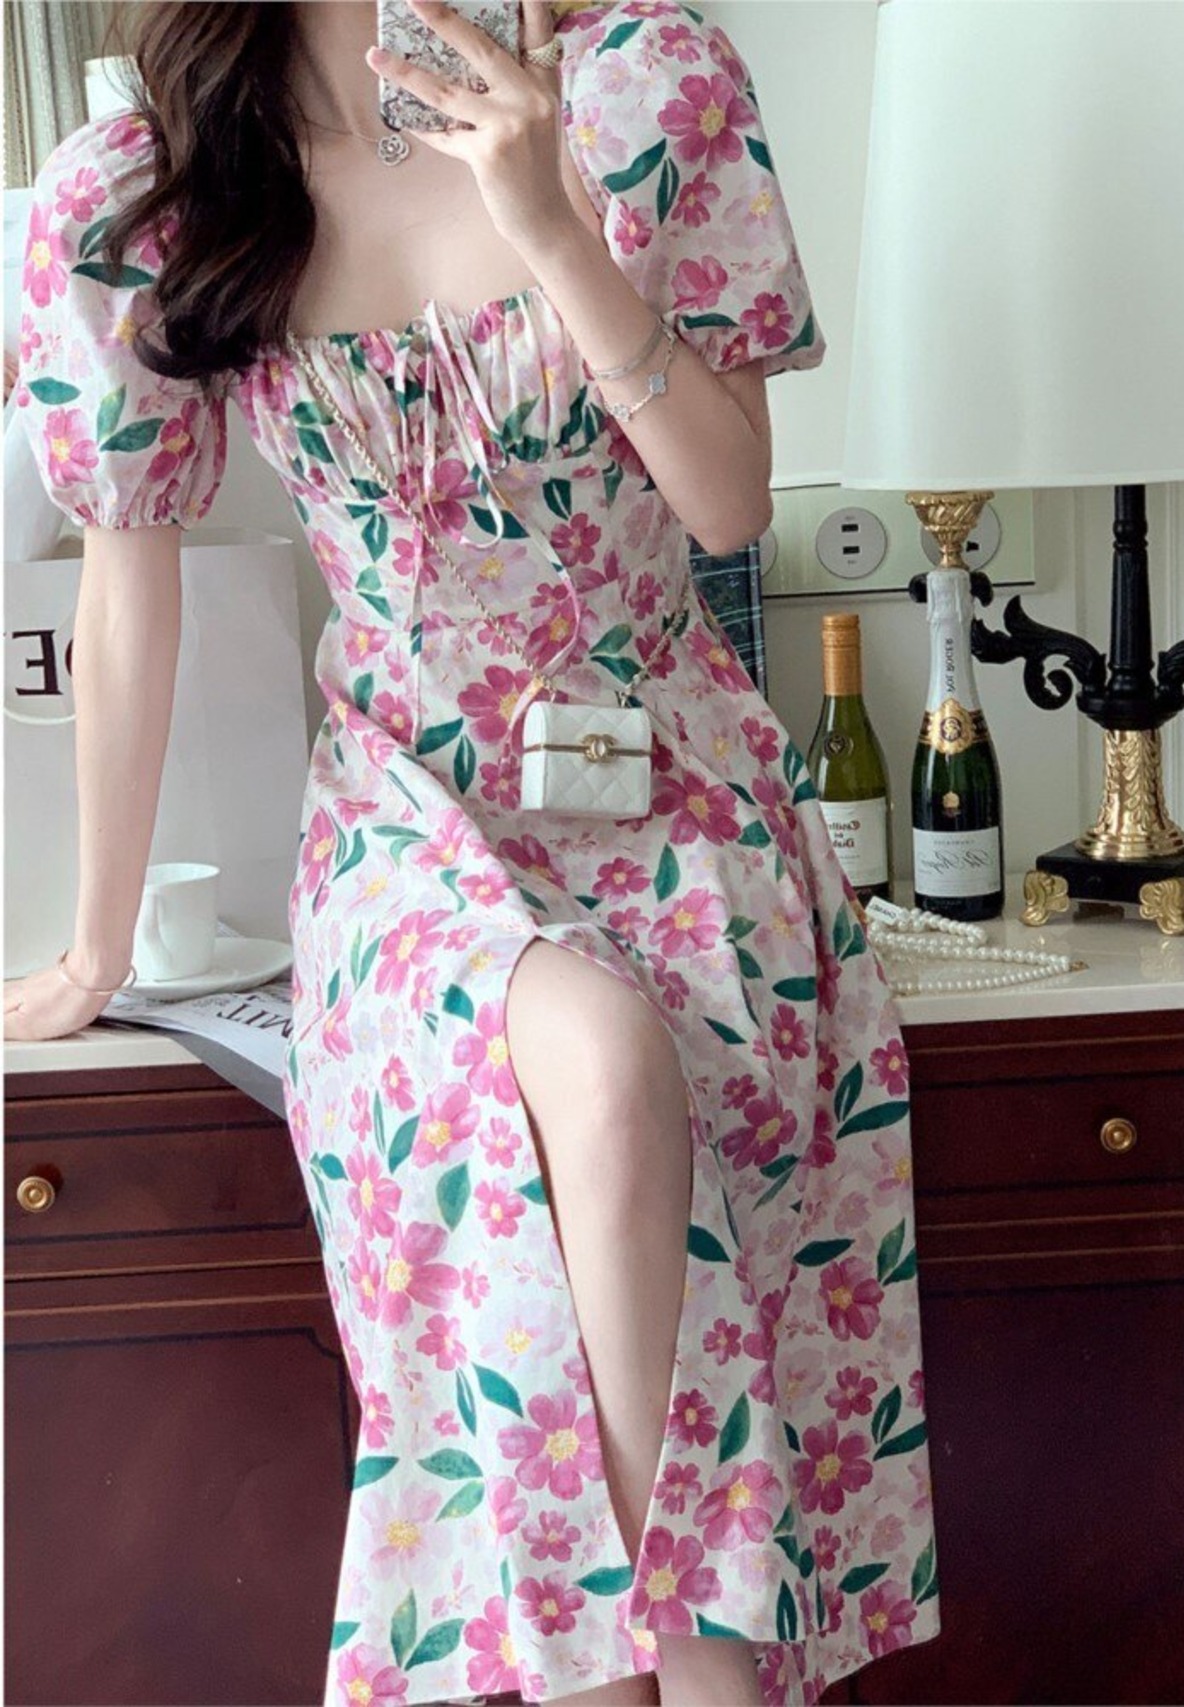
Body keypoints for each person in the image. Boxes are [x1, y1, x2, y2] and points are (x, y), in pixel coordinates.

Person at [5, 2, 941, 1703]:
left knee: (609, 1162)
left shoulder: (647, 86)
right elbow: (126, 580)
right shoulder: (147, 181)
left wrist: (549, 222)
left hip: (681, 796)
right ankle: (712, 1683)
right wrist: (95, 947)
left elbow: (731, 506)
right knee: (591, 1060)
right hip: (408, 821)